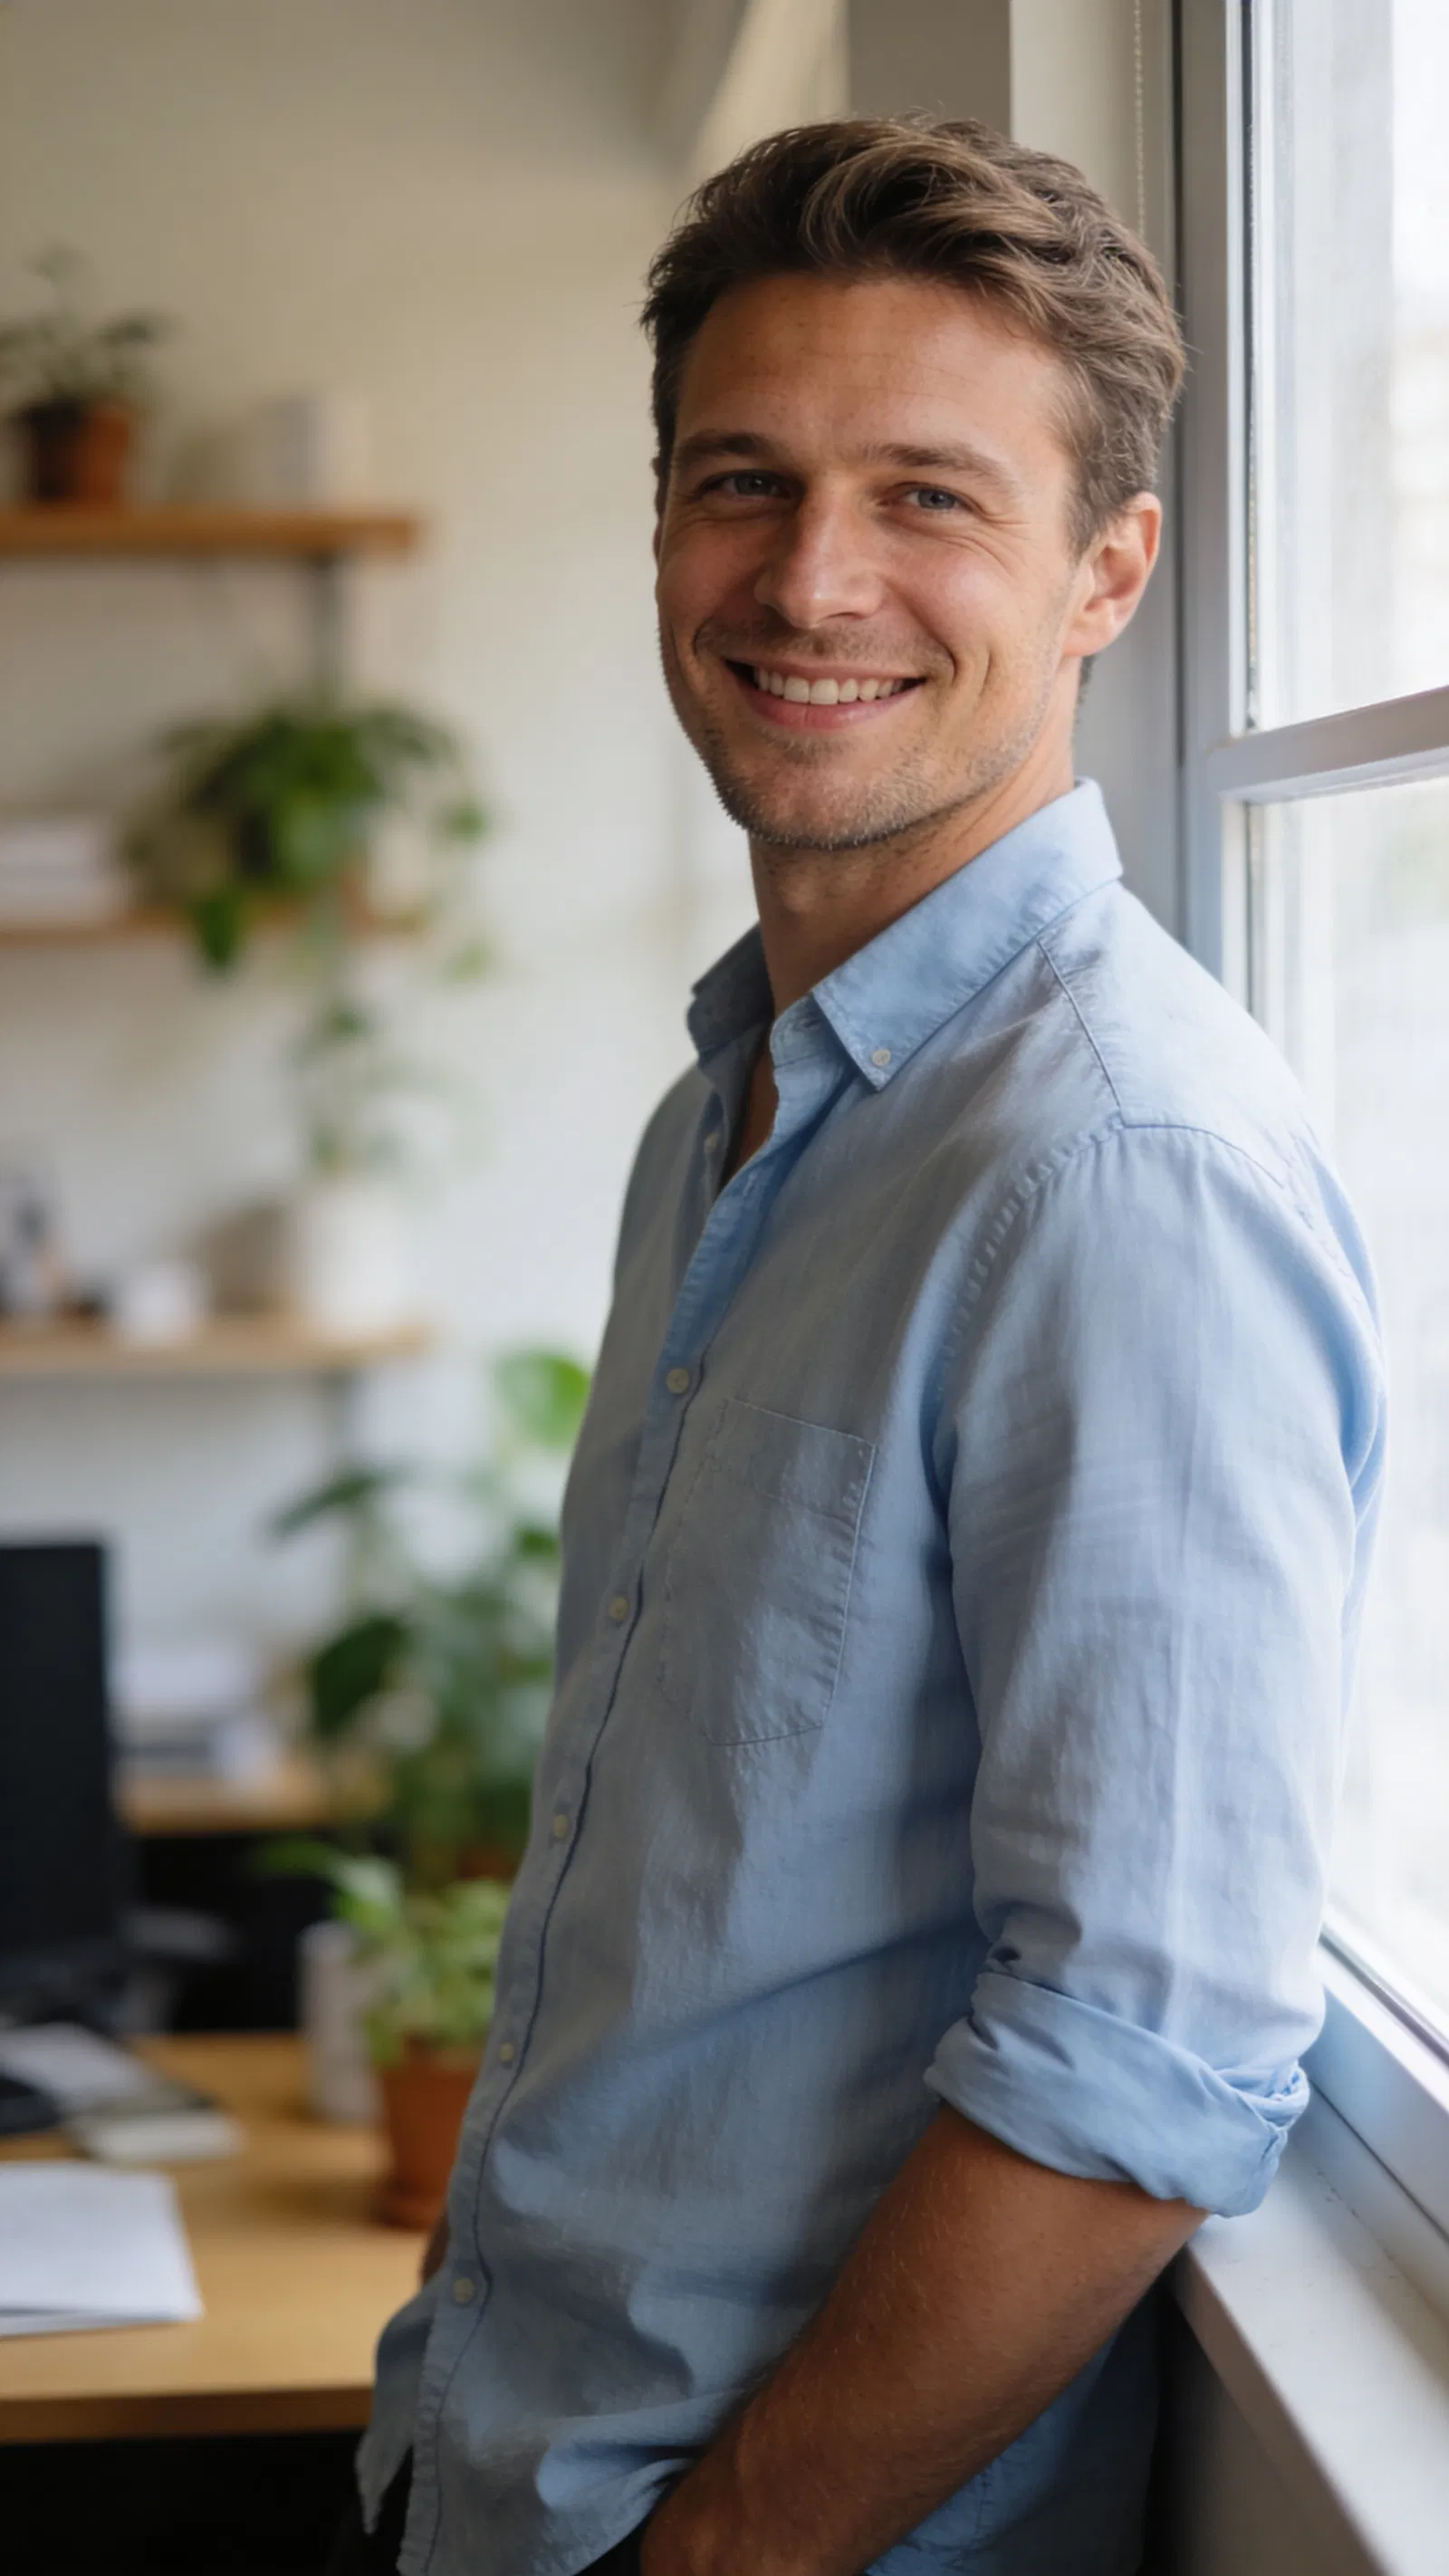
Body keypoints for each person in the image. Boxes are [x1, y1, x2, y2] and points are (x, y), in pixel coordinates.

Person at [332, 117, 1385, 2576]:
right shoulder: (736, 1112)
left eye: (929, 495)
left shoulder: (1111, 1168)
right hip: (497, 2480)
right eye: (744, 483)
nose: (811, 580)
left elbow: (1147, 2044)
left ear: (1108, 568)